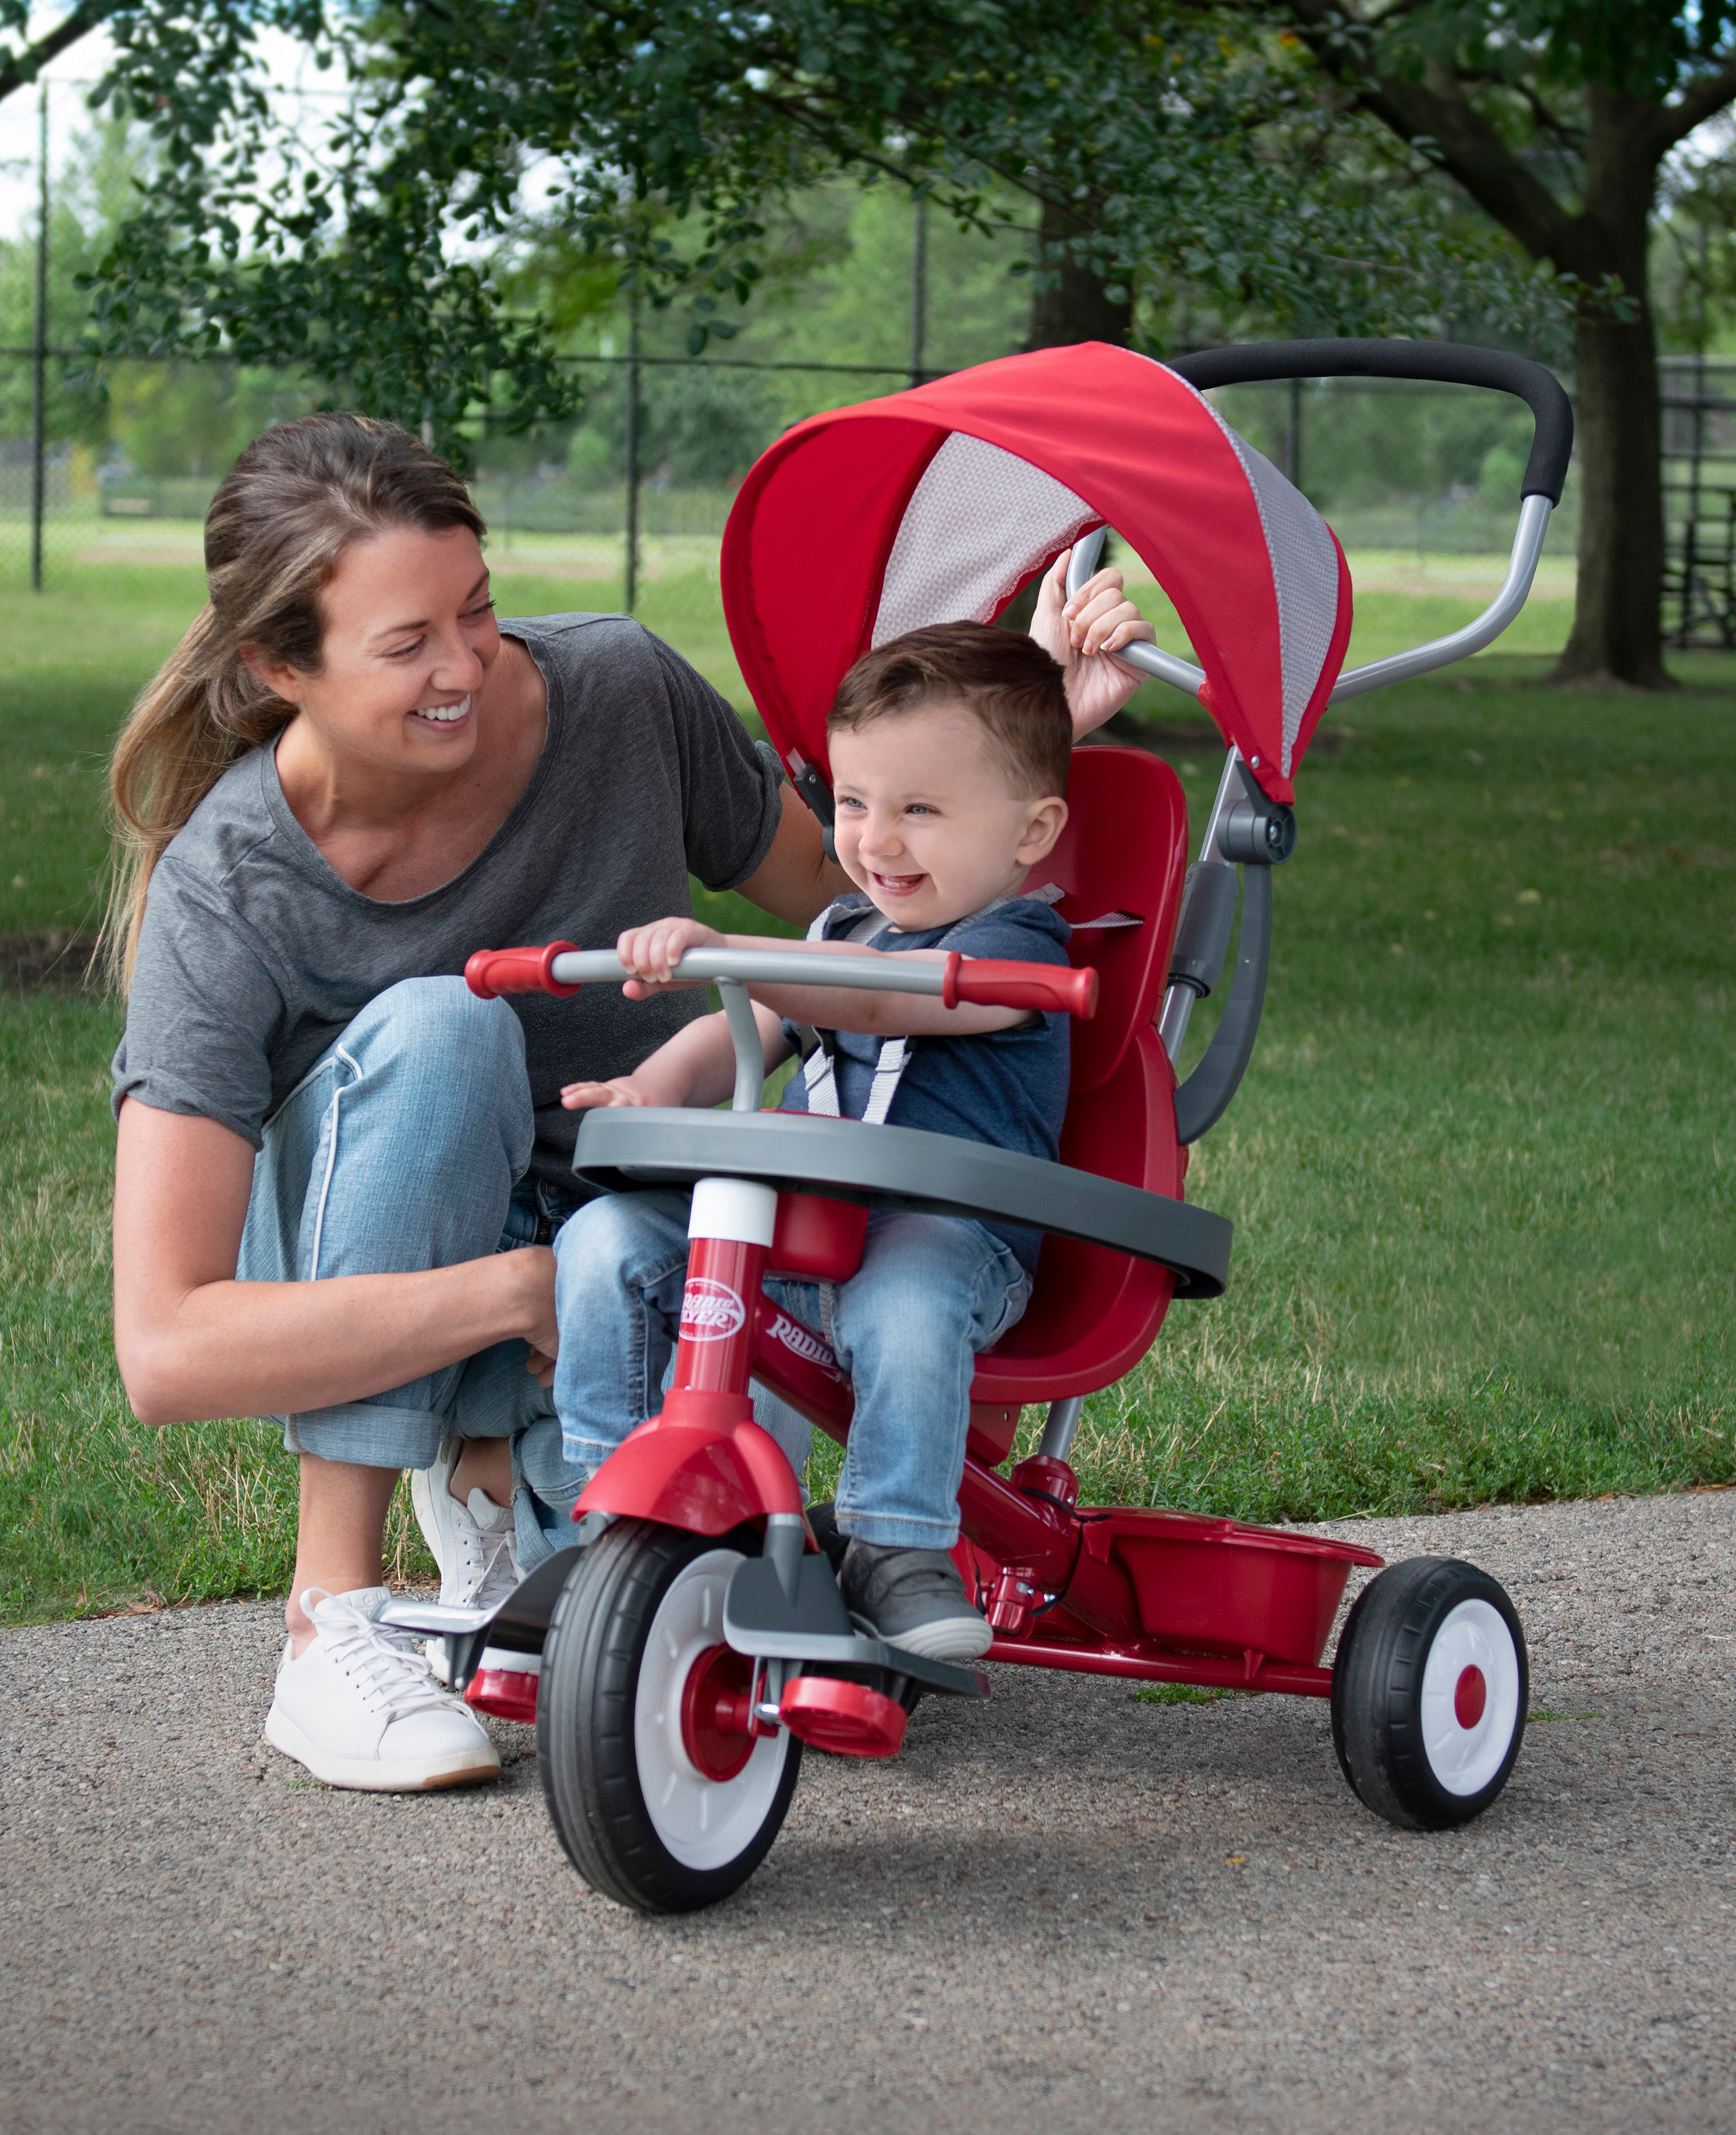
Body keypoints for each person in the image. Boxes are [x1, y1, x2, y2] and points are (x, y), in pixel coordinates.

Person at [105, 412, 1154, 1788]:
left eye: (475, 612)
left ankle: (495, 1476)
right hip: (424, 1268)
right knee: (447, 1022)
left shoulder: (616, 691)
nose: (466, 667)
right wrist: (511, 1289)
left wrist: (1024, 759)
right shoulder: (229, 887)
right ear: (276, 668)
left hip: (651, 1231)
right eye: (406, 644)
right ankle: (332, 1621)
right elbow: (167, 1353)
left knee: (694, 1624)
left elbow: (862, 930)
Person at [551, 621, 1088, 1662]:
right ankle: (611, 1516)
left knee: (906, 1293)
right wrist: (646, 1087)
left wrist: (724, 950)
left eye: (919, 811)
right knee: (609, 1239)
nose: (876, 841)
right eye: (851, 804)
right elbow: (742, 1030)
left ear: (1032, 833)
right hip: (806, 1237)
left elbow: (880, 1010)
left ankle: (896, 1544)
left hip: (948, 1239)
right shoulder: (842, 933)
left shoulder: (1016, 948)